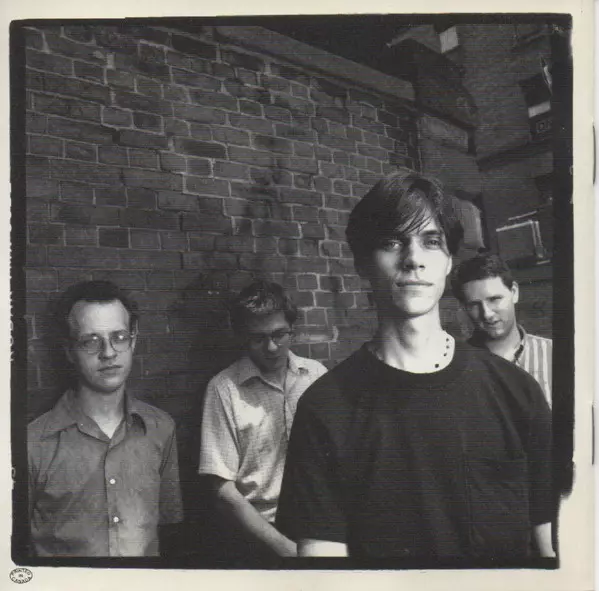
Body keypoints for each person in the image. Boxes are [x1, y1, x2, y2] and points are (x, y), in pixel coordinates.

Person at [275, 168, 554, 560]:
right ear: (362, 263)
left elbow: (551, 540)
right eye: (392, 242)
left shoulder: (516, 390)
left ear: (448, 262)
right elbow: (324, 565)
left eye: (431, 241)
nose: (413, 259)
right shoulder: (325, 407)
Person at [28, 281, 183, 557]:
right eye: (91, 341)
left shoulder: (161, 428)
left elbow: (169, 526)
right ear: (69, 350)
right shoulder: (32, 443)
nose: (109, 352)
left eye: (119, 337)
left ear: (133, 340)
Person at [198, 279, 327, 559]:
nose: (271, 347)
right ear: (243, 338)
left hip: (320, 526)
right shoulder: (224, 389)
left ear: (292, 329)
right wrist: (285, 549)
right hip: (259, 536)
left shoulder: (316, 376)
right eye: (258, 338)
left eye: (279, 334)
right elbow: (221, 488)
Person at [451, 253, 552, 405]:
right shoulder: (455, 367)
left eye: (494, 299)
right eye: (474, 305)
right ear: (464, 308)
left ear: (514, 292)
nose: (487, 314)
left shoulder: (554, 355)